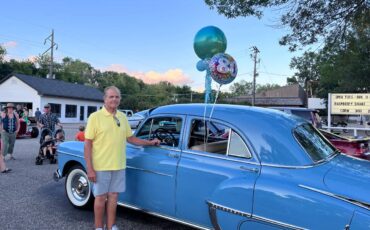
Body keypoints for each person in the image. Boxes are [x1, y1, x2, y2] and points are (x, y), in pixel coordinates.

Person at [84, 86, 160, 230]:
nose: (114, 99)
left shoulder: (122, 117)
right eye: (111, 97)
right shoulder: (95, 117)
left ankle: (111, 226)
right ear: (105, 99)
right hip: (101, 166)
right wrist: (90, 169)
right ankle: (98, 227)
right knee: (100, 198)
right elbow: (87, 144)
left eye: (117, 97)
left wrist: (149, 142)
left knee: (113, 197)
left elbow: (130, 138)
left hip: (119, 164)